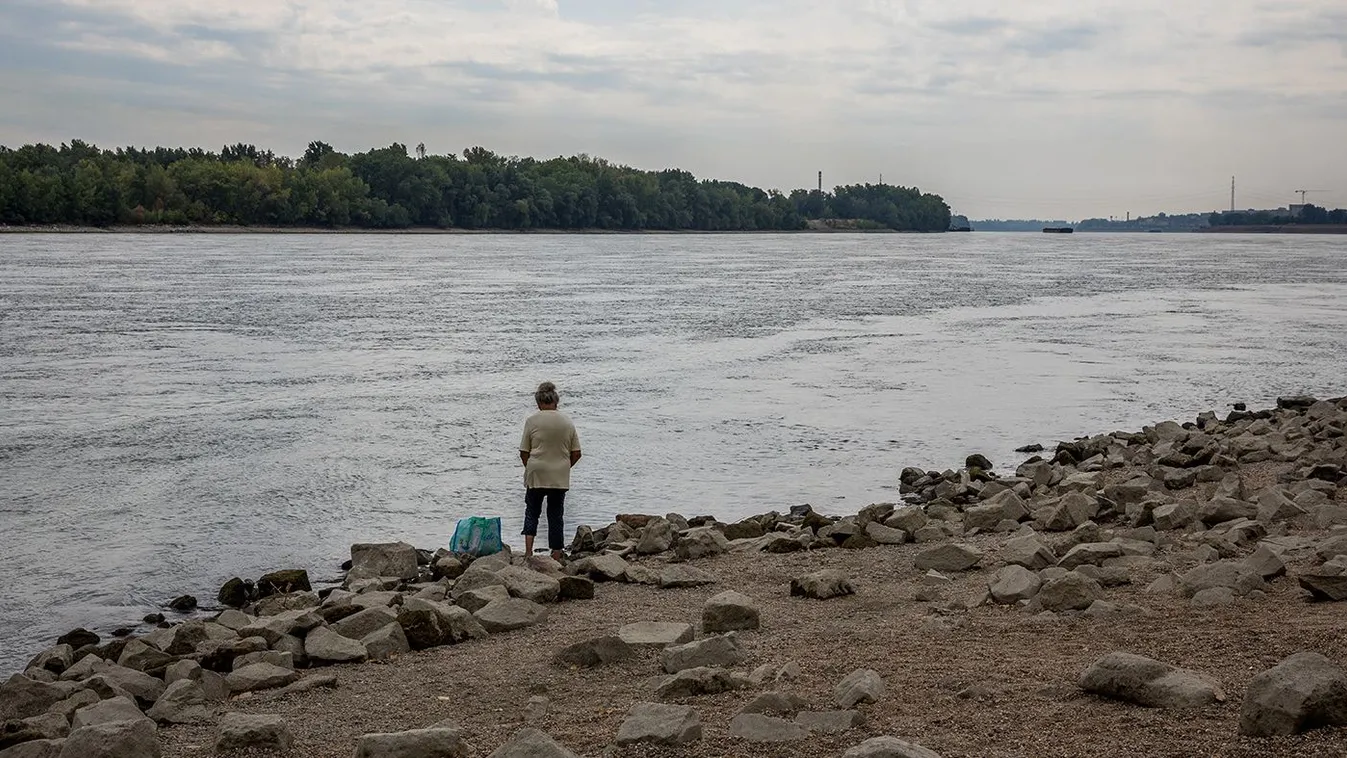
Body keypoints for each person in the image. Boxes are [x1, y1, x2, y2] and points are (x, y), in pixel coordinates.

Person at [518, 381, 581, 562]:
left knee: (532, 511)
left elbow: (524, 452)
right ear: (556, 402)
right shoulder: (567, 422)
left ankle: (529, 552)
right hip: (558, 475)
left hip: (536, 471)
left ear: (538, 403)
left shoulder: (532, 421)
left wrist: (530, 467)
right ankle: (555, 553)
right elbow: (576, 453)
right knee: (555, 514)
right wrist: (563, 467)